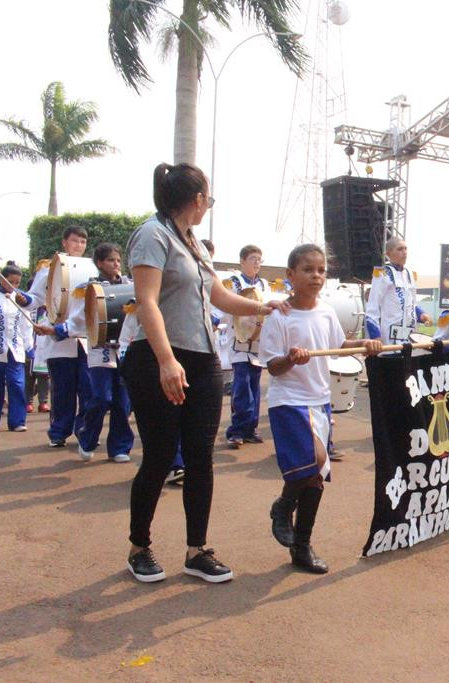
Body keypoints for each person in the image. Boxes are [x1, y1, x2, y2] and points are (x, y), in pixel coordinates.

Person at [122, 162, 290, 584]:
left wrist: (261, 307)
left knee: (201, 458)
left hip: (201, 359)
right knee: (160, 456)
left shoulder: (193, 242)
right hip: (157, 357)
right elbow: (147, 301)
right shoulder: (152, 235)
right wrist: (165, 360)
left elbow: (218, 295)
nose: (207, 206)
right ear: (197, 200)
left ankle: (197, 550)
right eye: (207, 199)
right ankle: (139, 546)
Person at [261, 244, 383, 573]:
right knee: (313, 461)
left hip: (319, 401)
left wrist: (365, 345)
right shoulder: (279, 315)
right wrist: (290, 358)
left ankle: (302, 546)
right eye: (307, 270)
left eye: (321, 270)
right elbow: (272, 366)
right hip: (289, 401)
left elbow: (338, 346)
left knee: (315, 480)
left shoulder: (327, 312)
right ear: (290, 275)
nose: (316, 276)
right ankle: (283, 505)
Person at [27, 225, 92, 448]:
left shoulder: (91, 268)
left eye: (83, 242)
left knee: (88, 389)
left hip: (84, 339)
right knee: (63, 390)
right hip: (57, 338)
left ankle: (84, 430)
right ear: (65, 242)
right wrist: (23, 300)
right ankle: (58, 431)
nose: (79, 246)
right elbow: (34, 298)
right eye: (75, 241)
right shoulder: (48, 270)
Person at [72, 243, 134, 463]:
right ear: (99, 263)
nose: (116, 264)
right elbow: (81, 319)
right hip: (100, 350)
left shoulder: (130, 285)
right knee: (101, 397)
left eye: (118, 260)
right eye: (111, 260)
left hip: (124, 350)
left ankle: (119, 447)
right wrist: (59, 330)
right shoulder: (91, 288)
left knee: (122, 401)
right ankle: (87, 437)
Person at [224, 245, 269, 449]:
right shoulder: (234, 282)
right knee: (242, 387)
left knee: (254, 387)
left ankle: (250, 428)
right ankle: (236, 430)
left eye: (259, 259)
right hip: (240, 342)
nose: (257, 262)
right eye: (253, 258)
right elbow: (224, 307)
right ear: (242, 261)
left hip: (258, 343)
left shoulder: (264, 284)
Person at [0, 263, 33, 432]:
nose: (14, 286)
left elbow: (26, 324)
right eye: (11, 282)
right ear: (2, 279)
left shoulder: (20, 298)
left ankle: (17, 421)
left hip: (16, 348)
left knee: (16, 383)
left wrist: (29, 346)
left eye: (17, 283)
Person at [365, 237, 432, 345]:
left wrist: (421, 314)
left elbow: (411, 303)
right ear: (388, 253)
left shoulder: (410, 273)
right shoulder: (382, 273)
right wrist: (375, 337)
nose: (404, 252)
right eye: (400, 249)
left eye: (405, 249)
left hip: (410, 336)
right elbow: (372, 309)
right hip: (389, 338)